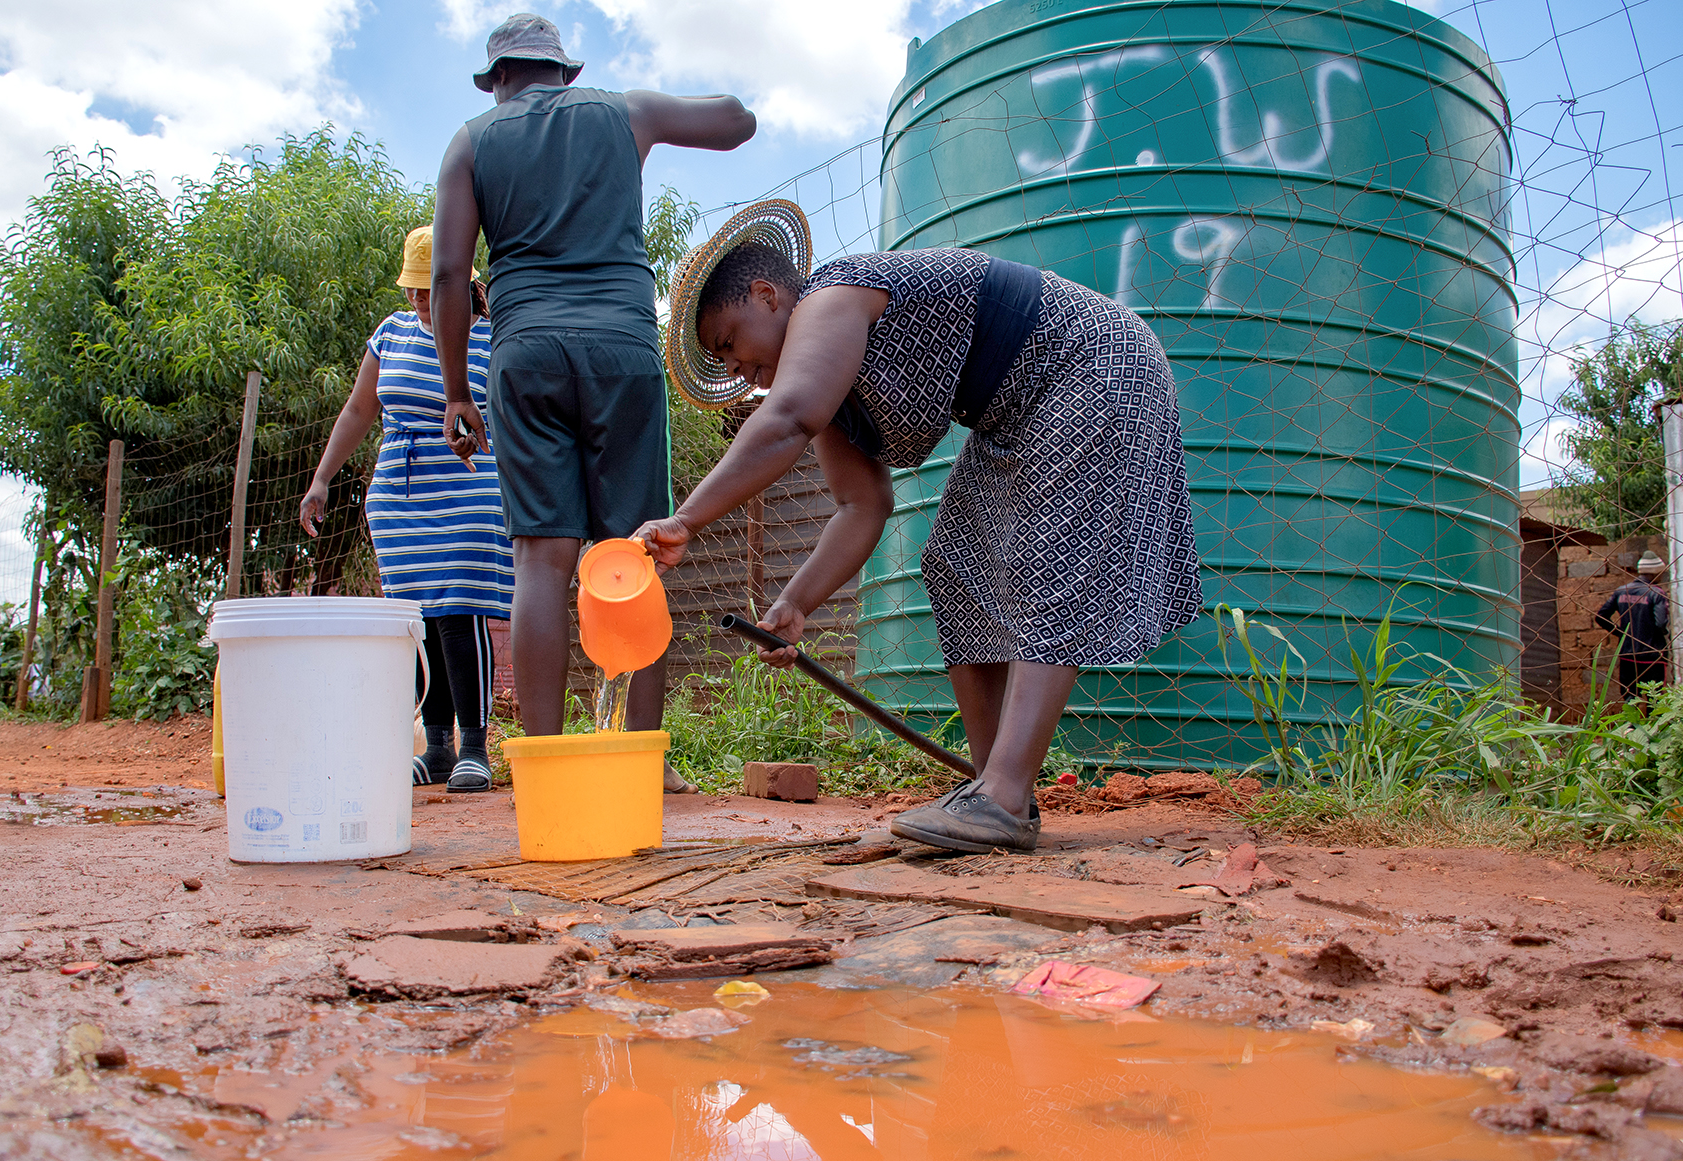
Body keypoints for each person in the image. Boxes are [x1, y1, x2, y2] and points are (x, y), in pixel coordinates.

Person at [635, 200, 1203, 854]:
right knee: (956, 560)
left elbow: (786, 419)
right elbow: (862, 507)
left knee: (1044, 556)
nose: (734, 370)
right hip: (1016, 410)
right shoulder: (832, 394)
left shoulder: (831, 296)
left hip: (1090, 360)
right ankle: (995, 793)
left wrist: (686, 519)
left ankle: (1002, 794)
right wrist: (795, 602)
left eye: (729, 343)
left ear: (767, 295)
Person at [429, 14, 755, 788]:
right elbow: (736, 122)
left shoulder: (471, 142)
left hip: (525, 355)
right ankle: (644, 762)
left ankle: (543, 763)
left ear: (497, 79)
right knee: (635, 552)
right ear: (565, 71)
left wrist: (455, 393)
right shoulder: (626, 111)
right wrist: (671, 112)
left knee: (540, 562)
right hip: (621, 351)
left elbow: (446, 276)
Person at [300, 226, 513, 793]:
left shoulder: (494, 336)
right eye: (413, 288)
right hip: (401, 493)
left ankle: (475, 748)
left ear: (461, 282)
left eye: (430, 287)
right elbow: (358, 410)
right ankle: (437, 747)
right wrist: (322, 479)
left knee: (460, 609)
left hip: (470, 487)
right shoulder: (390, 333)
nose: (420, 298)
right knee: (419, 620)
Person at [1595, 550, 1670, 701]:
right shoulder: (1656, 593)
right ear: (1656, 573)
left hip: (1628, 654)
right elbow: (1661, 623)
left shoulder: (1621, 591)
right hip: (1652, 655)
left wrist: (1620, 633)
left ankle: (1631, 717)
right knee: (1654, 700)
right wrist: (1665, 634)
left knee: (1630, 698)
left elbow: (1601, 616)